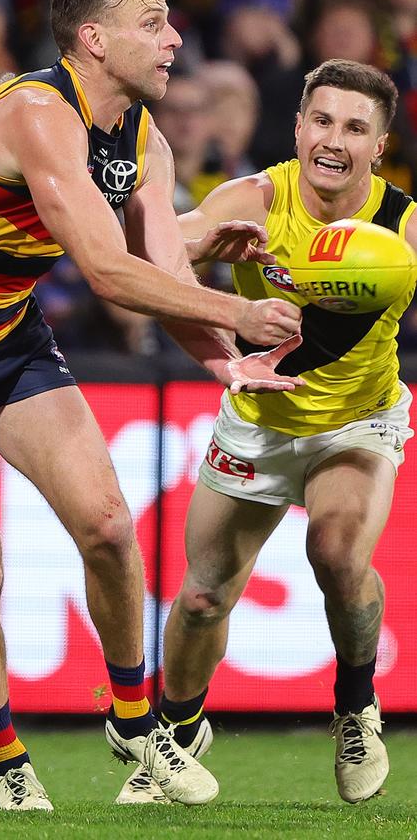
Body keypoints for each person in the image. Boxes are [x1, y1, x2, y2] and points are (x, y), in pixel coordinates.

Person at [0, 0, 302, 812]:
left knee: (106, 523)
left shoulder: (147, 140)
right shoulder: (35, 114)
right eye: (152, 23)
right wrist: (239, 315)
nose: (174, 40)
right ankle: (5, 759)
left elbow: (156, 264)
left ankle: (139, 729)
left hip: (5, 334)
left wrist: (221, 358)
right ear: (93, 40)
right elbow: (105, 270)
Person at [116, 58, 416, 807]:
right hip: (258, 419)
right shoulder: (254, 198)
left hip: (358, 419)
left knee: (338, 553)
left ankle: (355, 705)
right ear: (298, 127)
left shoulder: (403, 226)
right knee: (202, 599)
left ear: (379, 145)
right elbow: (147, 254)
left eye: (355, 127)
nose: (334, 140)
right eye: (322, 120)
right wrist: (205, 257)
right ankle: (177, 738)